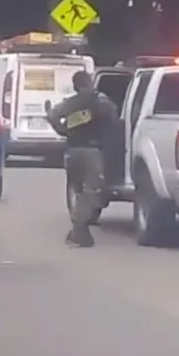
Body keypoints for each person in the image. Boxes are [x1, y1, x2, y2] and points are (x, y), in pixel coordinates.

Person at [46, 71, 118, 247]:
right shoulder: (100, 100)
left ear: (74, 85)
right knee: (92, 192)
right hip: (91, 152)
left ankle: (80, 230)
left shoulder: (70, 103)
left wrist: (63, 129)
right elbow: (114, 116)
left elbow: (53, 116)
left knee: (77, 191)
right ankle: (78, 228)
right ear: (89, 82)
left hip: (72, 152)